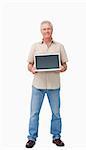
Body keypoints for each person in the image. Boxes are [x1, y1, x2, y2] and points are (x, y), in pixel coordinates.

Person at [26, 20, 68, 148]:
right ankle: (32, 138)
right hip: (37, 86)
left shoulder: (59, 46)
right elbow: (29, 64)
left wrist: (62, 68)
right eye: (44, 29)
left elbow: (65, 65)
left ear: (52, 30)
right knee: (34, 113)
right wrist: (32, 69)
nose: (46, 31)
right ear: (41, 31)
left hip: (54, 86)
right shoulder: (35, 46)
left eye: (48, 29)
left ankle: (56, 137)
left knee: (56, 113)